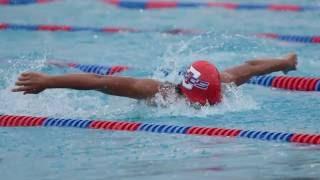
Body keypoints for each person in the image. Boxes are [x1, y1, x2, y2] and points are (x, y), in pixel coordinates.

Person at [12, 53, 297, 106]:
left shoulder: (223, 82)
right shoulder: (156, 92)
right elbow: (99, 80)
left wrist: (284, 62)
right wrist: (48, 80)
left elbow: (251, 67)